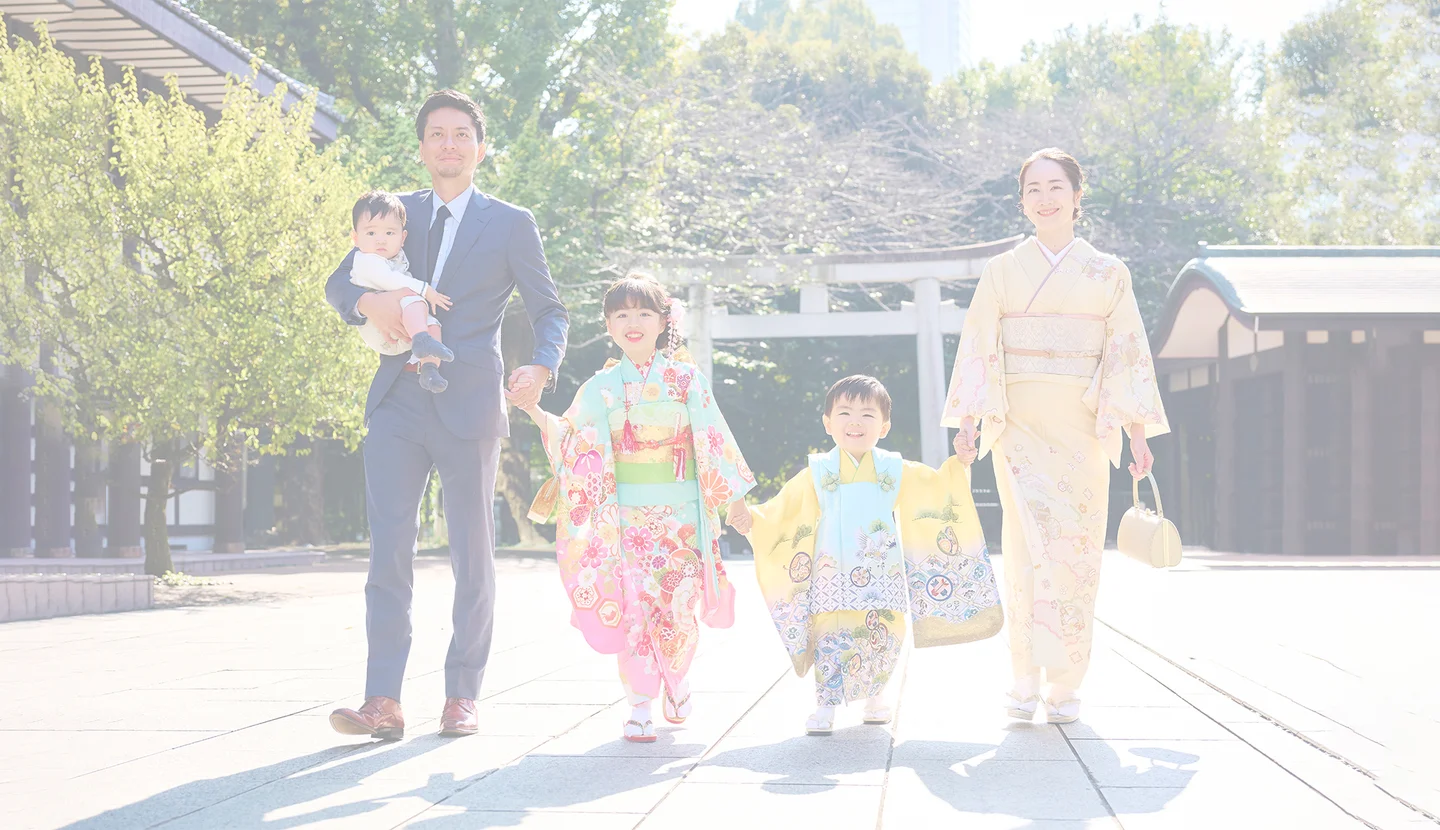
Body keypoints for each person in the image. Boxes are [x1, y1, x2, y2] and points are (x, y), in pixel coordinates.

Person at [323, 89, 568, 740]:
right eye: (437, 133)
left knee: (472, 552)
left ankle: (462, 694)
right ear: (422, 147)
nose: (449, 144)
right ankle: (382, 700)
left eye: (462, 134)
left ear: (480, 148)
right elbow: (340, 281)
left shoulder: (511, 223)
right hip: (396, 402)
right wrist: (367, 305)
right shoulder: (394, 213)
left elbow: (550, 310)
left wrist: (541, 367)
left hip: (470, 402)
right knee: (388, 551)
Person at [942, 148, 1169, 725]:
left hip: (1083, 428)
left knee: (1075, 552)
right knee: (1023, 548)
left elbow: (1126, 353)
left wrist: (1137, 434)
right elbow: (978, 345)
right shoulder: (1001, 271)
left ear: (1076, 195)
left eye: (1055, 187)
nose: (1045, 199)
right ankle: (1024, 677)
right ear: (1022, 202)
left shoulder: (1109, 272)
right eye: (1033, 190)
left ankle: (1065, 683)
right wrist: (968, 422)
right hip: (1017, 424)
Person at [515, 274, 754, 743]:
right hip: (624, 521)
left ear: (664, 322)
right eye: (621, 314)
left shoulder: (686, 379)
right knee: (634, 610)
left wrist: (736, 502)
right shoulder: (601, 386)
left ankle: (677, 679)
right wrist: (533, 411)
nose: (633, 322)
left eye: (644, 313)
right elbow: (572, 439)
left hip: (682, 520)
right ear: (608, 326)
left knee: (678, 606)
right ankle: (640, 703)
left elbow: (713, 439)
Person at [744, 375, 1002, 735]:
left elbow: (937, 487)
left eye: (867, 414)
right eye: (844, 413)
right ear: (827, 423)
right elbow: (782, 510)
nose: (855, 422)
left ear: (884, 426)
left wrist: (960, 460)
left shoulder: (895, 468)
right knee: (831, 636)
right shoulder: (818, 471)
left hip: (882, 571)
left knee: (883, 633)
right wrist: (752, 520)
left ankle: (876, 697)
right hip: (832, 572)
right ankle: (826, 705)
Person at [347, 190, 455, 392]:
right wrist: (425, 290)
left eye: (389, 233)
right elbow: (391, 280)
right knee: (413, 299)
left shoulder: (394, 256)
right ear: (355, 238)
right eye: (371, 233)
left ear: (403, 237)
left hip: (404, 332)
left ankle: (429, 368)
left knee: (433, 324)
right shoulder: (366, 260)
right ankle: (422, 339)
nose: (381, 240)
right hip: (380, 329)